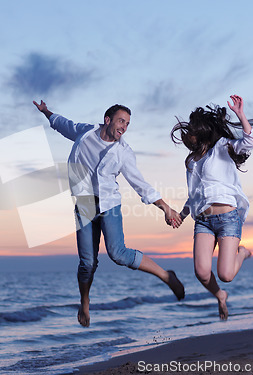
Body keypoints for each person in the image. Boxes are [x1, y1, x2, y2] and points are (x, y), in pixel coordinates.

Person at [33, 100, 185, 327]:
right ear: (108, 120)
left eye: (128, 124)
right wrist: (46, 112)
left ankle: (166, 276)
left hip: (108, 204)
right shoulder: (85, 133)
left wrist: (165, 207)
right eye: (121, 121)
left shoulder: (123, 152)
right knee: (87, 262)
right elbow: (63, 124)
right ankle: (84, 301)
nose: (124, 127)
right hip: (84, 203)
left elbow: (139, 183)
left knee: (118, 253)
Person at [171, 95, 253, 320]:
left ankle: (241, 253)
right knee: (202, 273)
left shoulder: (222, 147)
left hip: (227, 218)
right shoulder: (192, 160)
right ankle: (220, 295)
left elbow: (250, 142)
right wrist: (182, 215)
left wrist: (241, 115)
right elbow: (194, 196)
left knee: (226, 274)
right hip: (203, 220)